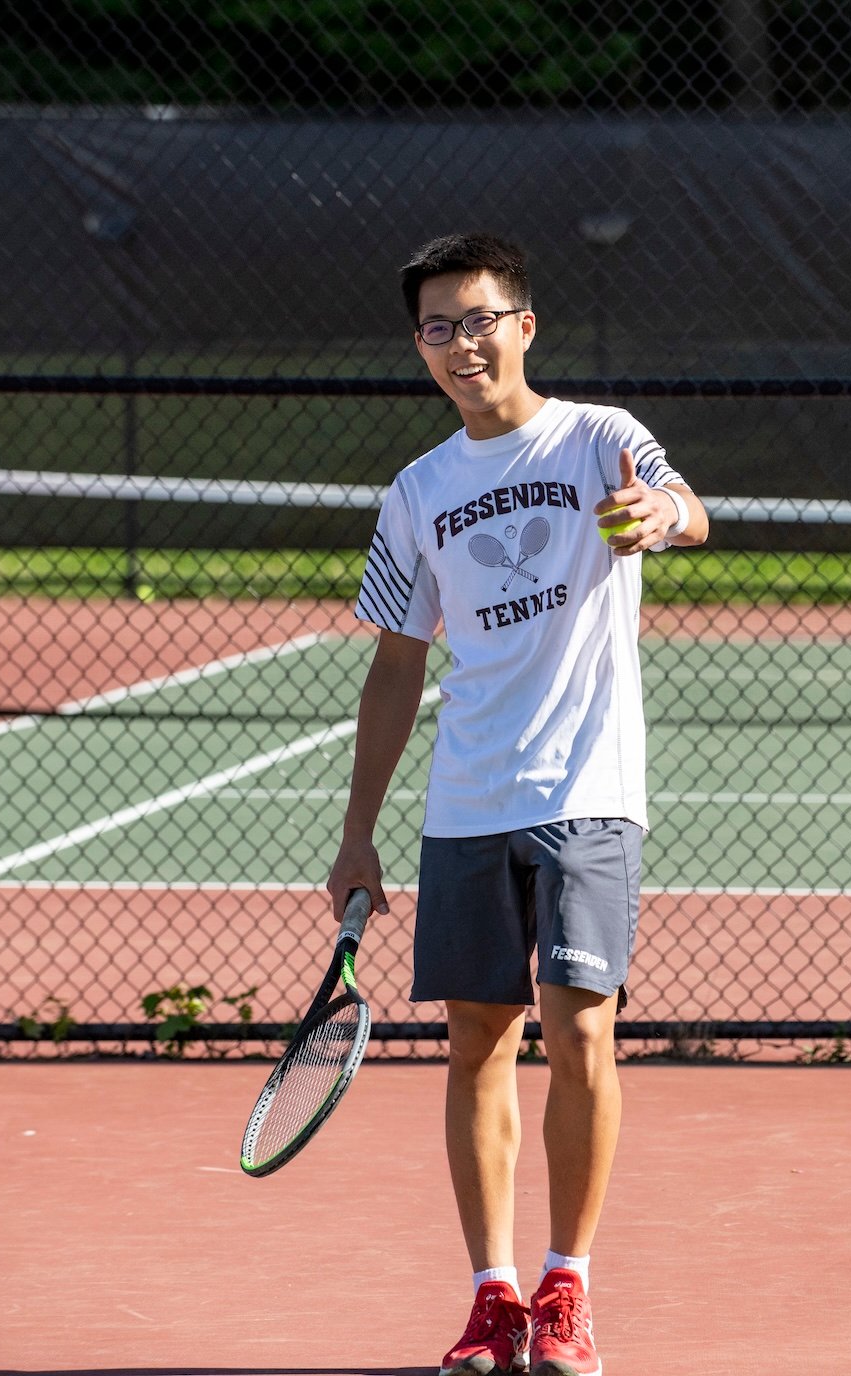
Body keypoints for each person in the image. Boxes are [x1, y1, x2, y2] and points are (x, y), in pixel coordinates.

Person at [327, 231, 707, 1376]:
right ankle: (493, 1296)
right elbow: (397, 662)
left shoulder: (597, 439)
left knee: (582, 1023)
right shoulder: (418, 491)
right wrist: (357, 831)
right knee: (476, 1043)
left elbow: (686, 503)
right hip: (468, 797)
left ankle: (568, 1285)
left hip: (590, 789)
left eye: (481, 319)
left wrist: (664, 519)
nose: (462, 344)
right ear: (421, 347)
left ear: (524, 326)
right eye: (438, 327)